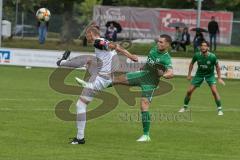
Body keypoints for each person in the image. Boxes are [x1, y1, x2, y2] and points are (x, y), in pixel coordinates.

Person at [57, 26, 138, 144]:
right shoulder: (101, 42)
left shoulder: (97, 42)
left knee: (80, 104)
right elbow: (114, 49)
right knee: (81, 102)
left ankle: (80, 138)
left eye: (86, 34)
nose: (85, 36)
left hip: (101, 79)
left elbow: (114, 46)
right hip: (105, 78)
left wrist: (130, 56)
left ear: (91, 33)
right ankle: (62, 62)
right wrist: (129, 56)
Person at [112, 34, 174, 142]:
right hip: (141, 75)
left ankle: (146, 135)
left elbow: (171, 72)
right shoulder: (154, 49)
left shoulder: (166, 58)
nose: (158, 43)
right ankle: (92, 86)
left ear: (167, 44)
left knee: (144, 105)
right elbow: (149, 62)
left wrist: (165, 75)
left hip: (150, 83)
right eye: (158, 41)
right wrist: (143, 67)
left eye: (161, 42)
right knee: (117, 80)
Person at [178, 40, 225, 116]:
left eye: (205, 46)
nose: (203, 47)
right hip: (199, 75)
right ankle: (184, 107)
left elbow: (217, 67)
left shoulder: (212, 57)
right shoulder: (197, 55)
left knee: (214, 91)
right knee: (189, 91)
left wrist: (219, 78)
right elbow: (191, 64)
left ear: (208, 48)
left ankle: (220, 109)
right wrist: (189, 75)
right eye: (202, 46)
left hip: (210, 76)